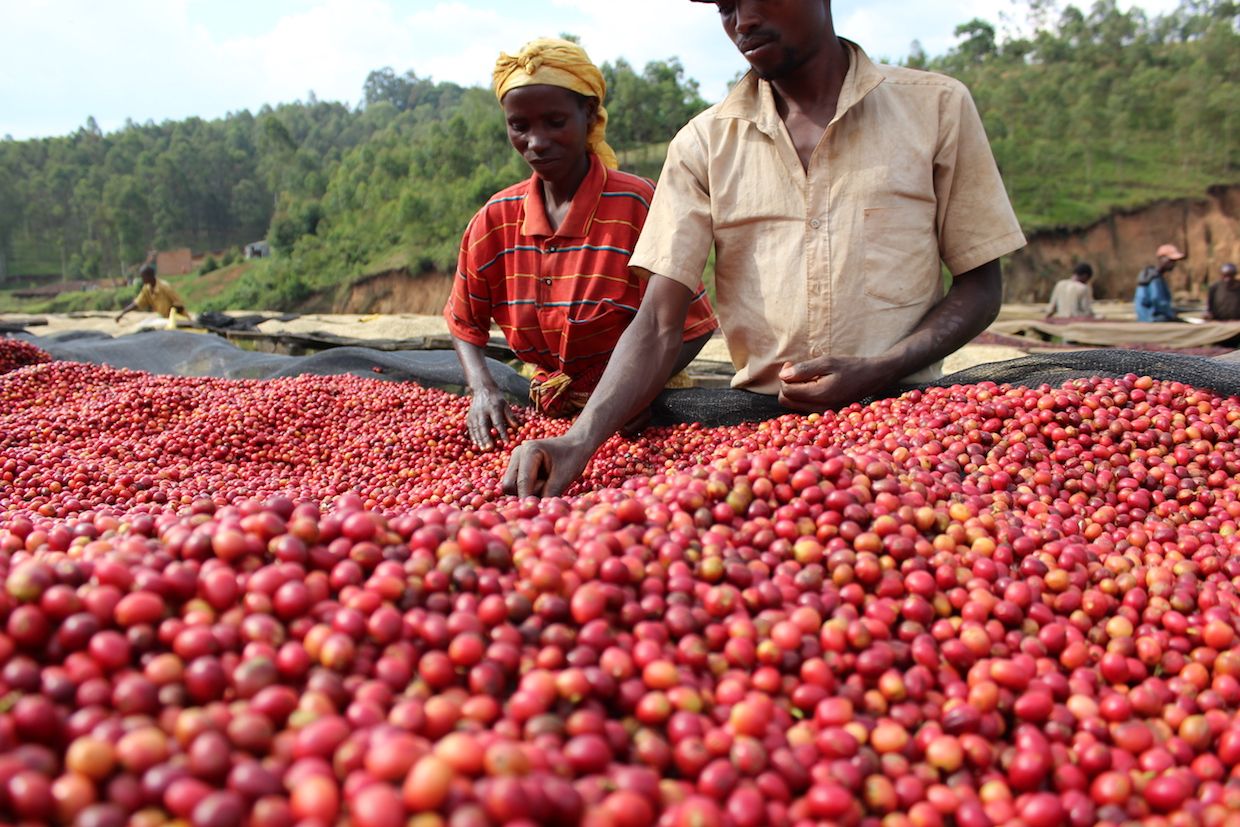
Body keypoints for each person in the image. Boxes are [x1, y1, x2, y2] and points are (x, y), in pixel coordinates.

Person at [503, 0, 1026, 496]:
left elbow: (980, 286)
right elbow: (661, 322)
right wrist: (579, 438)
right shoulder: (701, 144)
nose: (743, 21)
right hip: (761, 430)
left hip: (904, 422)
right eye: (726, 8)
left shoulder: (935, 107)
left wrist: (882, 367)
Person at [444, 37, 717, 450]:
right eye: (520, 126)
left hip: (638, 414)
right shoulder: (495, 220)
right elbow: (465, 322)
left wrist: (637, 394)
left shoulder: (638, 206)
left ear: (589, 115)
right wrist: (483, 389)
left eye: (554, 122)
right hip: (547, 408)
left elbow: (692, 327)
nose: (536, 141)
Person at [115, 261, 188, 325]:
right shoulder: (146, 289)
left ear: (150, 276)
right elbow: (137, 303)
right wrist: (122, 313)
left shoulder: (164, 287)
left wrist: (172, 315)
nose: (142, 279)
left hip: (179, 320)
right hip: (165, 320)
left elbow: (180, 305)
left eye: (143, 277)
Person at [1133, 244, 1184, 322]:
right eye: (1171, 261)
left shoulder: (1152, 275)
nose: (1173, 264)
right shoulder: (1154, 278)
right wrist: (1172, 313)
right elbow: (1158, 302)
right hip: (1153, 321)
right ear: (1162, 259)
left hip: (1147, 319)